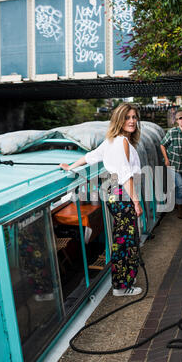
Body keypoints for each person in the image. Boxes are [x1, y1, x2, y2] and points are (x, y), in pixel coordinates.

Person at [60, 103, 143, 297]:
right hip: (123, 194)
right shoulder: (121, 141)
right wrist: (137, 202)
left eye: (134, 117)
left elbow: (91, 157)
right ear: (119, 120)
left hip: (114, 194)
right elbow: (125, 174)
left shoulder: (110, 141)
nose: (131, 121)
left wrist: (71, 166)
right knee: (125, 241)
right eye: (127, 117)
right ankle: (121, 286)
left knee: (124, 238)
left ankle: (125, 277)